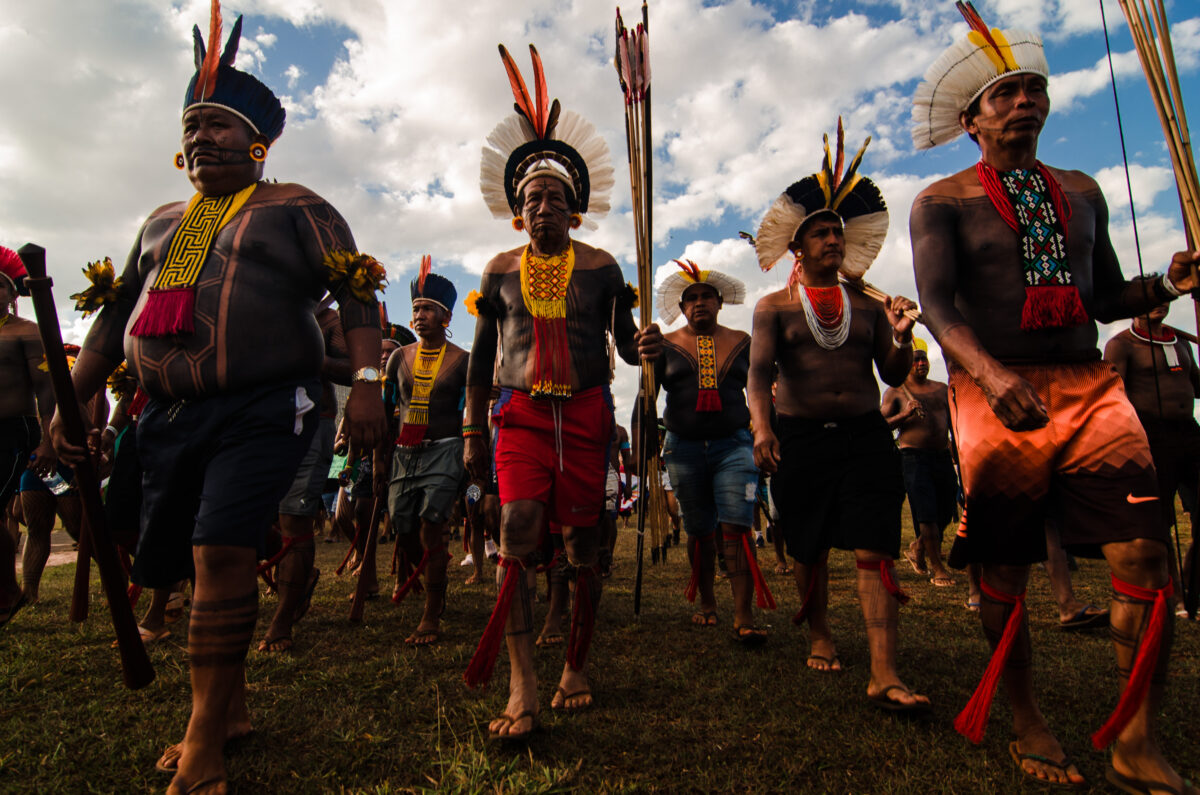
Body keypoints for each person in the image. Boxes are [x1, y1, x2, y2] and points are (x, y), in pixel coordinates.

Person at [50, 8, 386, 793]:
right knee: (176, 555)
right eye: (191, 126)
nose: (201, 137)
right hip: (168, 414)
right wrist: (73, 399)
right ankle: (229, 708)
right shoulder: (160, 222)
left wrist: (368, 385)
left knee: (222, 552)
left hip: (266, 405)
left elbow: (356, 293)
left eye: (217, 124)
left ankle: (203, 738)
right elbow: (114, 319)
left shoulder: (297, 206)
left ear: (257, 141)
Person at [909, 5, 1200, 789]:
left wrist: (1168, 283)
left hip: (1087, 385)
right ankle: (1027, 718)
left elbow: (1105, 297)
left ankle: (1137, 738)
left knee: (1145, 550)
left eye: (1033, 88)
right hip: (993, 389)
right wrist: (990, 376)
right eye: (1004, 93)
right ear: (971, 120)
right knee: (1005, 568)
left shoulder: (1081, 190)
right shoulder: (940, 200)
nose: (1024, 100)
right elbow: (938, 306)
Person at [462, 44, 660, 739]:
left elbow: (627, 342)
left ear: (575, 210)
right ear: (517, 213)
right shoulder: (497, 272)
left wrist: (646, 346)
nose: (543, 206)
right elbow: (479, 364)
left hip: (586, 413)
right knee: (517, 529)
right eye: (531, 199)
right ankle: (522, 685)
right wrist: (471, 431)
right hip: (517, 413)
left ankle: (576, 663)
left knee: (583, 543)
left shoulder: (603, 268)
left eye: (555, 198)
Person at [747, 122, 928, 711]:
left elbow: (893, 372)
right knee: (808, 545)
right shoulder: (774, 307)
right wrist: (764, 428)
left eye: (837, 232)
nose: (832, 239)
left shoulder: (869, 306)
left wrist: (899, 335)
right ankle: (820, 632)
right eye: (821, 232)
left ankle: (884, 670)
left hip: (865, 435)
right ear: (797, 248)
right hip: (800, 437)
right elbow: (759, 376)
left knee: (875, 545)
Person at [655, 259, 773, 641]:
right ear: (682, 307)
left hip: (734, 445)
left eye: (707, 296)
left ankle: (743, 614)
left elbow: (762, 388)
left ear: (720, 303)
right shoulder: (664, 344)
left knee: (737, 525)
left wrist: (765, 434)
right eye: (691, 298)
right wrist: (641, 445)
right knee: (699, 529)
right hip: (682, 448)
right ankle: (707, 602)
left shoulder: (743, 342)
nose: (700, 303)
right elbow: (646, 395)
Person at [378, 257, 468, 645]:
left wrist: (473, 452)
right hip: (403, 453)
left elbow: (469, 411)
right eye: (416, 309)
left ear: (446, 317)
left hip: (445, 449)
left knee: (433, 523)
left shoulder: (463, 361)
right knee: (404, 526)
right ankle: (434, 577)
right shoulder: (399, 359)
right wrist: (380, 458)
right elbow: (386, 410)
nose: (420, 316)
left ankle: (432, 612)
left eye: (428, 309)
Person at [258, 303, 353, 653]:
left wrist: (310, 356)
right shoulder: (254, 302)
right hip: (257, 421)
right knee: (249, 516)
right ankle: (300, 577)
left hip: (313, 421)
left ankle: (282, 620)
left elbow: (353, 370)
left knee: (294, 518)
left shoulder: (327, 319)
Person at [1105, 304, 1199, 618]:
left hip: (1190, 431)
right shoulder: (1122, 344)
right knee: (1160, 520)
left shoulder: (1180, 342)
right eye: (1149, 295)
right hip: (1150, 435)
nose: (1158, 303)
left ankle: (1192, 585)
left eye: (1162, 297)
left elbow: (1196, 384)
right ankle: (1176, 595)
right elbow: (1111, 394)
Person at [0, 268, 55, 628]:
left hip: (14, 430)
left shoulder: (26, 331)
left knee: (63, 517)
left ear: (11, 294)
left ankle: (9, 592)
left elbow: (47, 390)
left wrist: (48, 440)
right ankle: (8, 589)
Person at [880, 339, 958, 586]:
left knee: (946, 509)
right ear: (907, 364)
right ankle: (937, 568)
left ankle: (918, 547)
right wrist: (905, 414)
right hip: (914, 458)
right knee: (927, 514)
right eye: (916, 360)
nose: (921, 363)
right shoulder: (895, 392)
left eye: (924, 358)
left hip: (942, 456)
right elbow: (879, 426)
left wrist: (957, 450)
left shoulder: (941, 389)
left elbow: (953, 423)